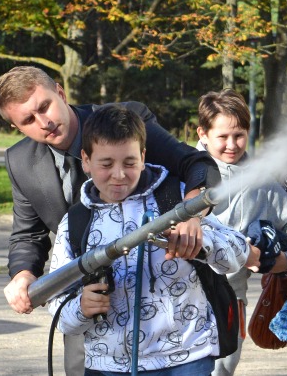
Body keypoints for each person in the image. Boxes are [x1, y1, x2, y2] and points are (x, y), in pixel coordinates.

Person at [0, 66, 219, 374]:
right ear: (15, 127)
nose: (43, 122)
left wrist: (191, 212)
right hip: (85, 306)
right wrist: (22, 275)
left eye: (44, 107)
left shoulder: (124, 120)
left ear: (60, 92)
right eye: (28, 120)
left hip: (167, 313)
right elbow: (27, 235)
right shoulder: (19, 161)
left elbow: (197, 163)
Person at [46, 105, 248, 375]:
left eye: (129, 163)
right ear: (85, 159)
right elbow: (57, 306)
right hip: (106, 367)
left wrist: (202, 243)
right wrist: (81, 308)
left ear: (143, 156)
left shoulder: (176, 199)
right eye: (106, 164)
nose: (119, 174)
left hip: (185, 360)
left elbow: (240, 251)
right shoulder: (75, 222)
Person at [195, 89, 287, 376]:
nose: (232, 145)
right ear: (203, 133)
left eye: (239, 135)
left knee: (223, 368)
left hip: (231, 295)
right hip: (182, 295)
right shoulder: (181, 172)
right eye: (223, 136)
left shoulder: (259, 179)